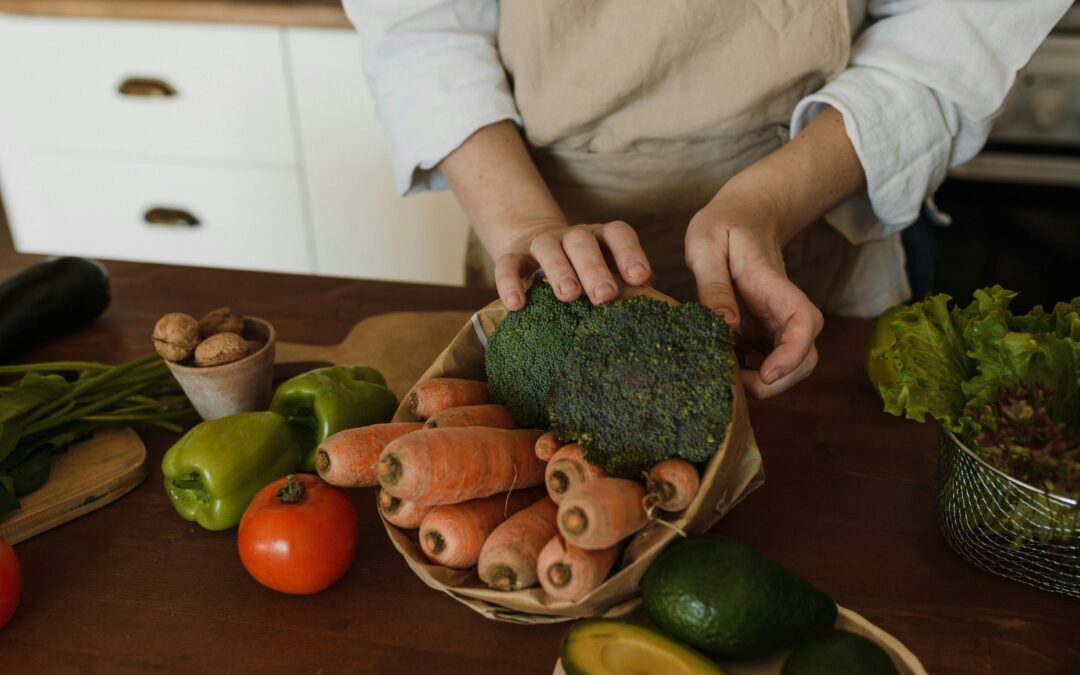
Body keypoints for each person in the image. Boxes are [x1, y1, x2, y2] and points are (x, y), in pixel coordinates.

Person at [345, 0, 1069, 397]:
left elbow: (954, 31)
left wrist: (771, 200)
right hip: (532, 220)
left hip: (815, 215)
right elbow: (418, 21)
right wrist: (524, 220)